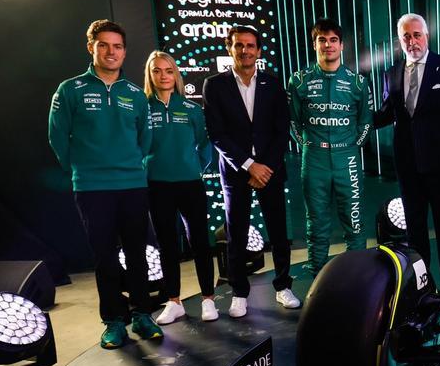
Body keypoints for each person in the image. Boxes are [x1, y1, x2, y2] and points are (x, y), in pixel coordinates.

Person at [48, 19, 164, 348]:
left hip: (131, 185)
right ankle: (113, 321)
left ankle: (142, 315)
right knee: (105, 257)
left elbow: (145, 138)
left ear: (124, 52)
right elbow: (57, 137)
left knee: (138, 254)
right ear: (91, 47)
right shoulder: (71, 89)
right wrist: (83, 169)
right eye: (103, 45)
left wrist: (128, 167)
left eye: (117, 46)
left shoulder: (134, 95)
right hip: (91, 187)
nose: (110, 52)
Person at [202, 26, 300, 317]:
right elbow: (216, 133)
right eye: (238, 45)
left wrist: (265, 166)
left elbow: (281, 131)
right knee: (237, 233)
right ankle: (240, 293)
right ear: (229, 48)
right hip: (236, 172)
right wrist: (248, 165)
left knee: (279, 233)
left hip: (269, 170)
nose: (245, 51)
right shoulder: (214, 85)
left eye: (250, 46)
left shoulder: (272, 82)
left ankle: (283, 286)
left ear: (258, 51)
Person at [372, 13, 440, 291]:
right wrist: (358, 122)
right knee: (415, 229)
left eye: (417, 35)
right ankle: (423, 284)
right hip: (407, 164)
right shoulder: (392, 72)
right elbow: (388, 113)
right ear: (400, 41)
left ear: (427, 36)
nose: (412, 41)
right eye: (406, 37)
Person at [286, 18, 372, 275]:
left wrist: (348, 146)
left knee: (354, 221)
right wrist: (311, 146)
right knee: (317, 222)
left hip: (347, 158)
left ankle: (357, 277)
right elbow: (294, 121)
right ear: (314, 45)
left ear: (342, 45)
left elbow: (365, 122)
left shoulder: (357, 82)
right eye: (322, 40)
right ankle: (318, 277)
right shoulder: (299, 81)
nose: (328, 45)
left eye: (333, 40)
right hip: (314, 158)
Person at [142, 51, 218, 324]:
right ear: (150, 76)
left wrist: (196, 167)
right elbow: (136, 145)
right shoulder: (142, 107)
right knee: (167, 245)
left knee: (199, 242)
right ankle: (174, 301)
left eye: (168, 70)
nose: (163, 76)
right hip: (157, 186)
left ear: (176, 75)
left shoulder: (191, 109)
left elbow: (205, 145)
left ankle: (208, 298)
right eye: (157, 71)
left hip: (190, 184)